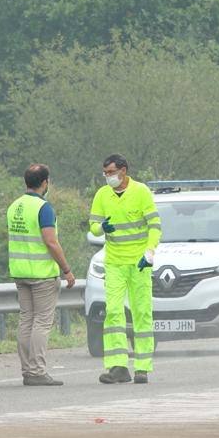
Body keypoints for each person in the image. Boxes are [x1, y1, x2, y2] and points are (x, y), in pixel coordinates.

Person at [88, 154, 161, 384]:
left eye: (111, 172)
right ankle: (118, 366)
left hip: (138, 263)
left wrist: (149, 252)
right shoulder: (102, 195)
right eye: (105, 173)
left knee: (141, 312)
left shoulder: (141, 192)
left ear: (124, 170)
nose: (108, 177)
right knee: (114, 313)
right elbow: (93, 227)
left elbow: (155, 226)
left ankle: (142, 367)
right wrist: (101, 227)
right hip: (115, 262)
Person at [7, 164, 75, 387]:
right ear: (45, 183)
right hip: (42, 274)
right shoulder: (43, 208)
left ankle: (27, 370)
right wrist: (66, 269)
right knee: (42, 322)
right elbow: (50, 241)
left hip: (20, 271)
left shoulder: (14, 206)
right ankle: (37, 371)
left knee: (26, 320)